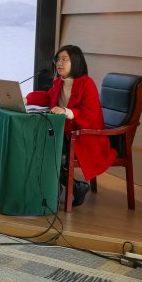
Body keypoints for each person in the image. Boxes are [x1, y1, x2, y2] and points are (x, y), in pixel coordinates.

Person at [25, 45, 116, 206]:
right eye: (57, 59)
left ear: (76, 61)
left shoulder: (87, 84)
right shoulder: (59, 83)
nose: (59, 63)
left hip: (85, 137)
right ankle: (73, 187)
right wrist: (26, 99)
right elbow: (48, 98)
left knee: (50, 154)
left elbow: (90, 114)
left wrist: (67, 111)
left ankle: (55, 190)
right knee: (37, 146)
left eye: (64, 59)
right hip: (66, 134)